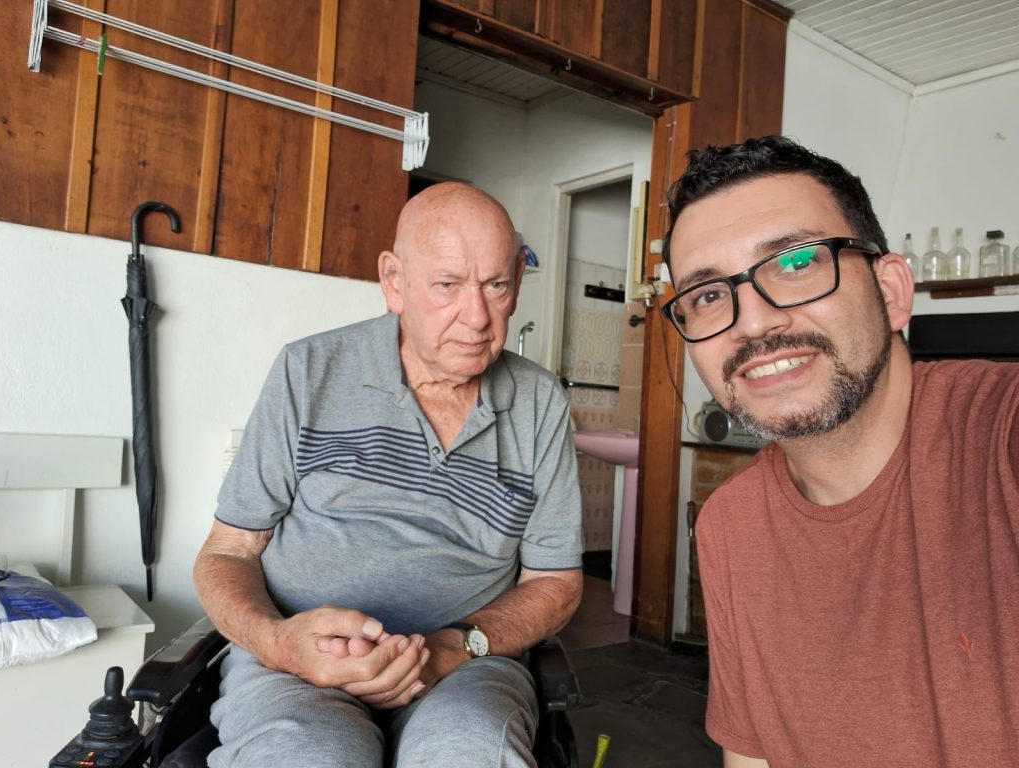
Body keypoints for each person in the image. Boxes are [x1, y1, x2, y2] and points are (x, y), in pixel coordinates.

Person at [193, 182, 584, 768]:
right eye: (447, 285)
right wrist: (281, 644)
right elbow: (227, 551)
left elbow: (556, 581)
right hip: (298, 668)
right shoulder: (308, 369)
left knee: (469, 754)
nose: (477, 317)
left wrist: (454, 646)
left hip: (463, 667)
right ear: (394, 281)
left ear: (517, 284)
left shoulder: (540, 401)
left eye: (496, 285)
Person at [660, 136, 1018, 767]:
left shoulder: (999, 437)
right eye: (709, 295)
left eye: (796, 262)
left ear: (891, 292)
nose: (753, 323)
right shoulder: (730, 526)